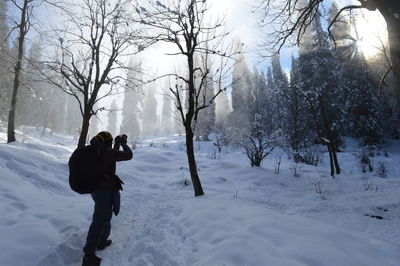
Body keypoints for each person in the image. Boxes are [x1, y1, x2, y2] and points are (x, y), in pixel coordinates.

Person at [82, 131, 133, 266]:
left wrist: (116, 145)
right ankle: (89, 255)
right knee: (99, 219)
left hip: (95, 189)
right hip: (104, 190)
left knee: (105, 215)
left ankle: (102, 241)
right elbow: (128, 155)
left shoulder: (95, 150)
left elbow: (110, 156)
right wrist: (124, 144)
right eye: (110, 143)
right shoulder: (106, 152)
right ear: (107, 142)